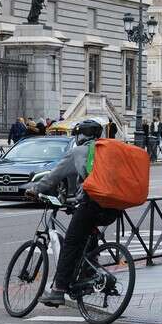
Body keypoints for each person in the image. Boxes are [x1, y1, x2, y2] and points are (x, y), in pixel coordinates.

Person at [25, 119, 119, 307]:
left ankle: (58, 290)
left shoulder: (78, 151)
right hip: (112, 207)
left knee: (71, 243)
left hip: (91, 204)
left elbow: (54, 177)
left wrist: (35, 189)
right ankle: (88, 274)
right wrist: (74, 201)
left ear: (80, 135)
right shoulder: (106, 151)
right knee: (86, 238)